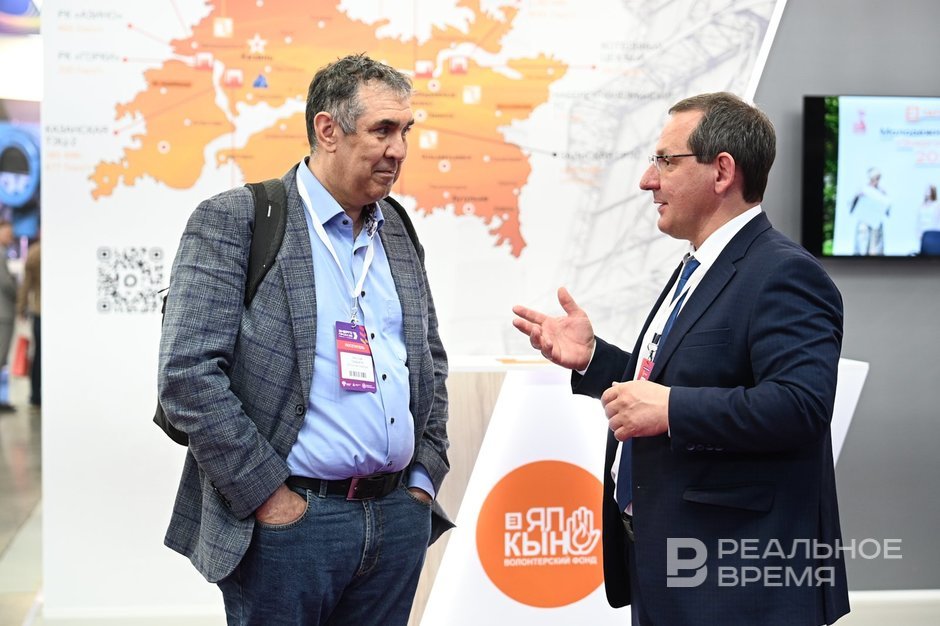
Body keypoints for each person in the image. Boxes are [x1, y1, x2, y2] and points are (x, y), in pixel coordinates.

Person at [512, 92, 849, 625]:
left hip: (736, 580)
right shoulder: (699, 265)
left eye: (666, 161)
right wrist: (593, 359)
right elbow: (675, 380)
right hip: (664, 561)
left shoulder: (785, 273)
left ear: (722, 172)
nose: (648, 180)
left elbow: (800, 406)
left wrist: (672, 409)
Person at [158, 54, 452, 626]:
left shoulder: (396, 228)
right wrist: (271, 499)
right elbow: (187, 377)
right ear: (328, 130)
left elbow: (429, 362)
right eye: (382, 130)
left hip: (395, 520)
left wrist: (421, 483)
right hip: (292, 526)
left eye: (405, 131)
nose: (398, 150)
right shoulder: (238, 220)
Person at [16, 237, 40, 407]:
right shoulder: (37, 252)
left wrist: (21, 307)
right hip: (43, 311)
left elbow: (26, 283)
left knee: (39, 354)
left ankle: (36, 396)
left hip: (39, 309)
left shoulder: (35, 252)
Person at [849, 167, 891, 255]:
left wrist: (885, 199)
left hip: (876, 224)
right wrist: (857, 197)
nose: (877, 180)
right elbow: (852, 207)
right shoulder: (863, 189)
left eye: (878, 178)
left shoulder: (881, 191)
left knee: (876, 247)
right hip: (864, 223)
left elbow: (887, 210)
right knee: (862, 246)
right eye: (875, 178)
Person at [0, 220, 17, 412]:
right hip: (3, 313)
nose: (9, 237)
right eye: (6, 233)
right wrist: (19, 294)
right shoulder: (0, 254)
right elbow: (5, 283)